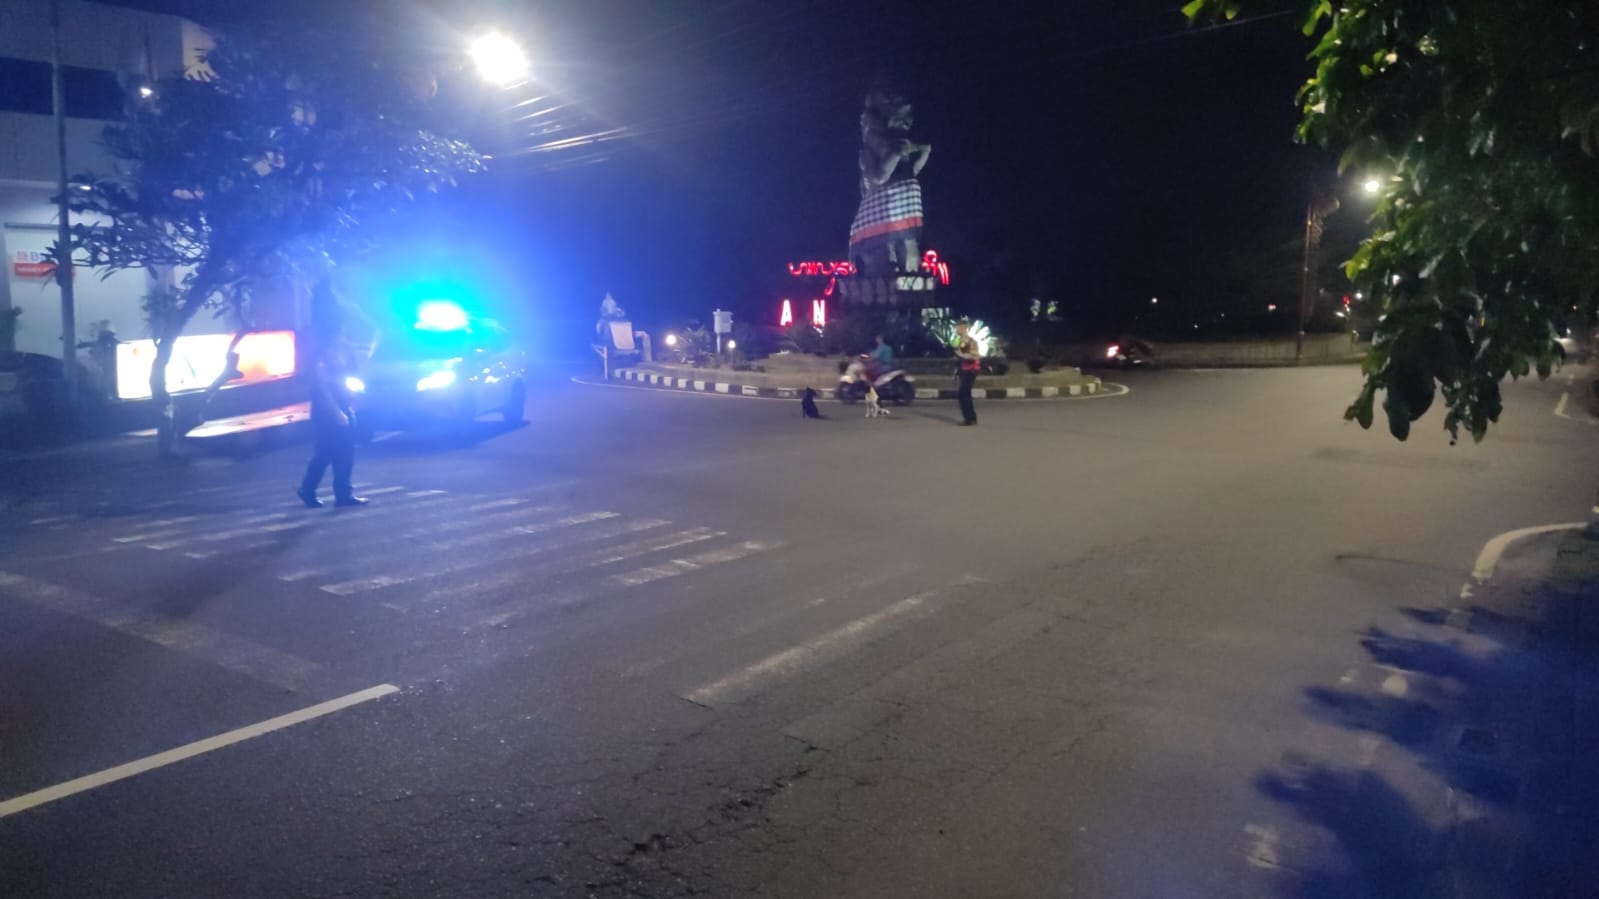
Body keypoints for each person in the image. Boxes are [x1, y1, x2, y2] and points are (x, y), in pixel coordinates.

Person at [297, 281, 367, 509]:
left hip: (342, 404)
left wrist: (353, 398)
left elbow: (348, 377)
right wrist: (337, 411)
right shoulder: (323, 352)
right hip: (327, 410)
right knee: (326, 452)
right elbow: (321, 387)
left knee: (345, 451)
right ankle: (309, 489)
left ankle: (342, 494)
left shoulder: (341, 347)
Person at [953, 319, 981, 426]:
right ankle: (970, 417)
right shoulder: (961, 341)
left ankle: (970, 418)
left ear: (963, 328)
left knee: (964, 394)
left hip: (970, 370)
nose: (956, 329)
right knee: (964, 394)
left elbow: (975, 356)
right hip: (964, 370)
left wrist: (960, 355)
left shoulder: (970, 341)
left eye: (957, 327)